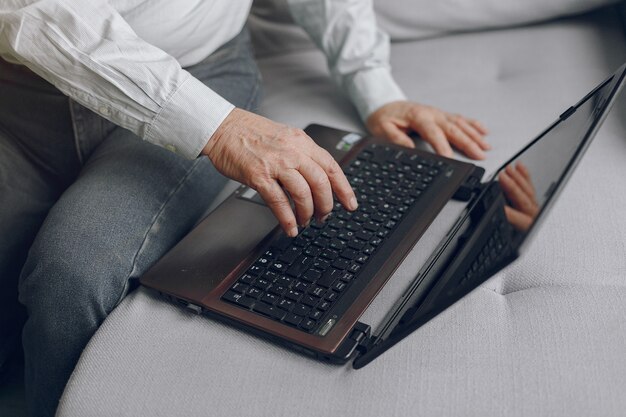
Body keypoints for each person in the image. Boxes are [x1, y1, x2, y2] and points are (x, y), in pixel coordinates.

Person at [0, 1, 489, 415]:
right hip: (20, 94)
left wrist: (372, 84)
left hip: (199, 73)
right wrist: (222, 129)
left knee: (72, 274)